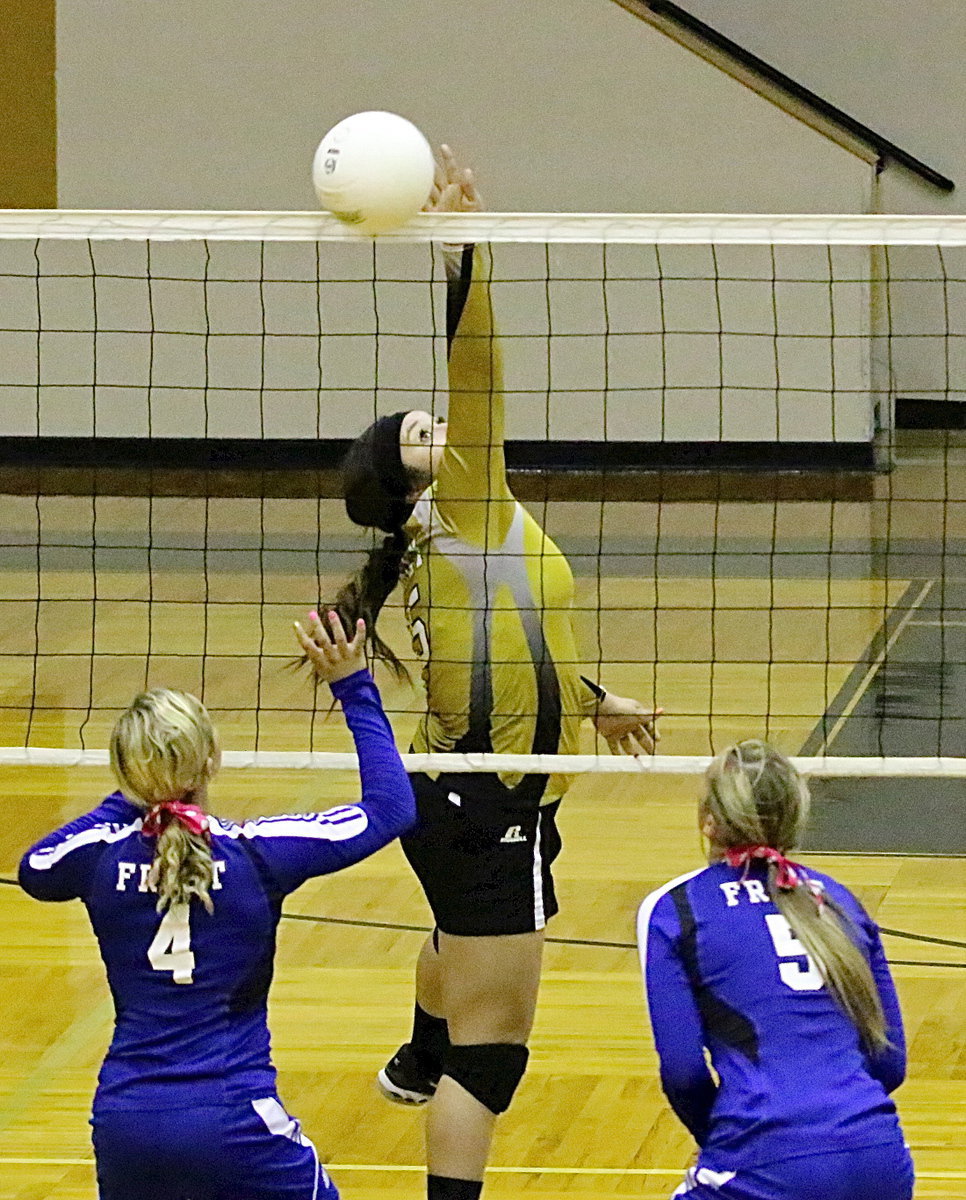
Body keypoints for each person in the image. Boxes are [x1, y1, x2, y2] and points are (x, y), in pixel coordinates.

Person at [330, 146, 662, 1200]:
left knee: (458, 939)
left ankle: (416, 1053)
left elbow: (505, 650)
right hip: (487, 805)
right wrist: (463, 254)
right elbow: (477, 376)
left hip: (472, 791)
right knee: (496, 1053)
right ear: (410, 476)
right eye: (423, 435)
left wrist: (593, 702)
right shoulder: (464, 504)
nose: (444, 428)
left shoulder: (446, 540)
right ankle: (443, 1076)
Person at [18, 613, 415, 1200]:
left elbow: (35, 867)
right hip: (235, 1119)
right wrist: (353, 684)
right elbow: (390, 808)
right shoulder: (258, 854)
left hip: (126, 1123)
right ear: (210, 762)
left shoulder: (95, 857)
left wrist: (132, 795)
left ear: (124, 772)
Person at [637, 740, 914, 1200]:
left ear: (709, 821)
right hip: (879, 1156)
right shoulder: (839, 899)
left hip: (762, 1153)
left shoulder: (676, 909)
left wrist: (729, 1140)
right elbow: (890, 1061)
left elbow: (684, 1073)